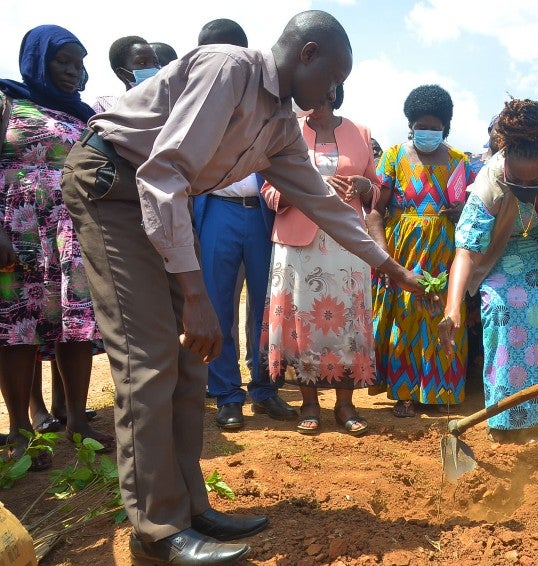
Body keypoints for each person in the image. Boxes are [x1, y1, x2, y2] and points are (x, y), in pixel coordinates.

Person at [60, 11, 423, 564]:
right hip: (113, 190)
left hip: (156, 202)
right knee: (148, 360)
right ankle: (156, 530)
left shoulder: (278, 123)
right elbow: (163, 175)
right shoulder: (228, 69)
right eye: (331, 79)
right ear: (307, 54)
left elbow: (325, 204)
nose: (333, 92)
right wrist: (198, 297)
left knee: (189, 361)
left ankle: (189, 508)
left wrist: (391, 268)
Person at [440, 98, 538, 442]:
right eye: (518, 184)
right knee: (499, 308)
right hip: (502, 251)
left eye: (534, 183)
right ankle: (501, 419)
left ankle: (535, 418)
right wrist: (452, 308)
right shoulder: (490, 179)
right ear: (505, 168)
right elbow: (466, 249)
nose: (526, 192)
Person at [0, 25, 110, 471]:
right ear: (37, 59)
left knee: (75, 325)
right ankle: (21, 432)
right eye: (63, 61)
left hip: (73, 232)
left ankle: (77, 423)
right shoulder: (7, 102)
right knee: (15, 329)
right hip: (16, 232)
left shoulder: (82, 113)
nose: (73, 72)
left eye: (80, 64)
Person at [190, 19, 295, 431]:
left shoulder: (264, 98)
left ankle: (265, 389)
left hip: (265, 213)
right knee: (217, 305)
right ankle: (226, 395)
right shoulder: (196, 95)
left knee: (267, 308)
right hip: (217, 209)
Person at [260, 83, 378, 436]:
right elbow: (268, 187)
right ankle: (309, 403)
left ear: (332, 91)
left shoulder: (360, 132)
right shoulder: (285, 131)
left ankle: (345, 405)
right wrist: (301, 192)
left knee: (345, 322)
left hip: (346, 242)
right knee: (303, 322)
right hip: (299, 241)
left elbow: (376, 188)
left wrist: (363, 186)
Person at [367, 84, 472, 418]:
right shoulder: (394, 156)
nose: (427, 131)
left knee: (442, 313)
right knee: (405, 316)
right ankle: (404, 393)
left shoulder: (459, 161)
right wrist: (384, 258)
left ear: (446, 127)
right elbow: (375, 211)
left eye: (435, 126)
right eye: (420, 126)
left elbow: (469, 210)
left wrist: (459, 214)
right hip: (403, 253)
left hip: (443, 256)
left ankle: (440, 390)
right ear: (410, 124)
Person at [93, 36, 160, 113]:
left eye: (156, 63)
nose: (153, 68)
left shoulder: (170, 103)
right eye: (142, 63)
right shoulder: (106, 108)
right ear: (121, 73)